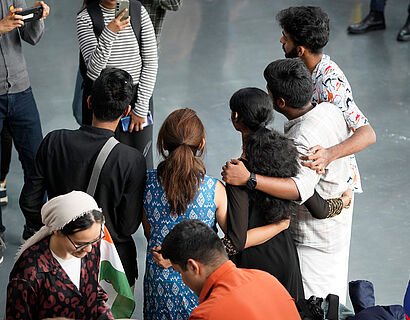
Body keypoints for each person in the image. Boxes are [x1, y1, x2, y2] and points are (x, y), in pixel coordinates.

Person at [223, 58, 354, 303]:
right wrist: (343, 202)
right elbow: (319, 207)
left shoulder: (237, 173)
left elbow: (237, 241)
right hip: (287, 257)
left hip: (256, 265)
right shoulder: (288, 157)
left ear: (235, 118)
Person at [19, 68, 146, 287]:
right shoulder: (131, 160)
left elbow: (29, 203)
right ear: (126, 111)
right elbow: (127, 226)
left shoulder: (54, 141)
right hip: (111, 267)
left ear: (88, 102)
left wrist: (62, 230)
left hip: (60, 261)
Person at [276, 6, 376, 189]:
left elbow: (367, 134)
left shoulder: (331, 85)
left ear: (300, 50)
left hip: (334, 178)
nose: (281, 40)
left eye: (286, 37)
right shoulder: (303, 69)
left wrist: (329, 154)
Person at [142, 108, 228, 319]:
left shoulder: (147, 183)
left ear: (162, 144)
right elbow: (230, 240)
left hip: (158, 284)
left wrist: (170, 259)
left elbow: (148, 232)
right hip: (199, 282)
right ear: (201, 144)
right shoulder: (214, 190)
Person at [161, 219, 301, 320]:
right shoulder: (268, 279)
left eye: (180, 272)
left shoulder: (206, 314)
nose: (182, 280)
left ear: (193, 266)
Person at [6, 191, 114, 319]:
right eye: (79, 243)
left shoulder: (89, 248)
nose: (89, 249)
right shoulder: (30, 272)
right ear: (57, 230)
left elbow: (93, 293)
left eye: (95, 240)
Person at [77, 0, 158, 169]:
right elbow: (93, 72)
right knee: (104, 164)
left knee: (141, 163)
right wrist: (109, 32)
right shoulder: (86, 18)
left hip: (137, 100)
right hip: (103, 101)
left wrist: (141, 108)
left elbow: (150, 62)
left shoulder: (137, 11)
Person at [0, 0, 50, 244]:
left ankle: (35, 228)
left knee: (37, 163)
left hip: (21, 90)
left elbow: (31, 37)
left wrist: (37, 17)